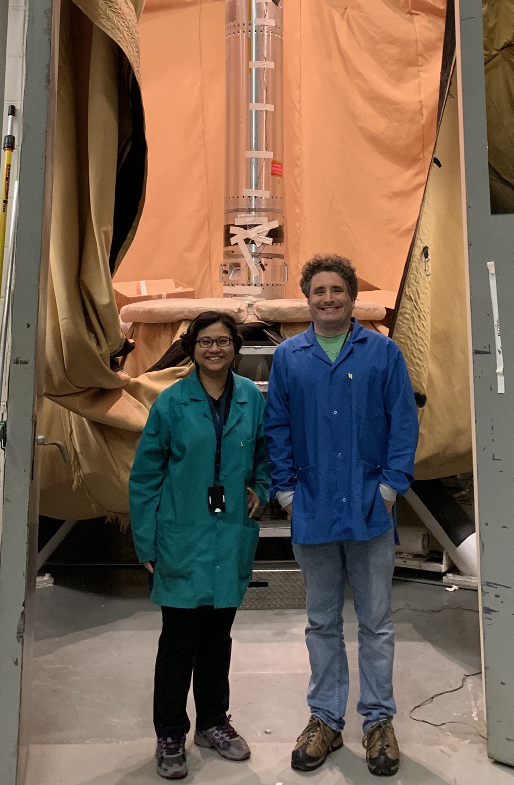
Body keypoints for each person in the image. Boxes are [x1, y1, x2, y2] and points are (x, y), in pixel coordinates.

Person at [265, 254, 419, 777]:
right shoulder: (289, 357)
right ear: (307, 298)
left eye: (337, 291)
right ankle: (326, 719)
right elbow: (277, 426)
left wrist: (392, 486)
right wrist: (285, 491)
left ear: (352, 298)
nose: (328, 299)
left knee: (376, 622)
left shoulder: (383, 353)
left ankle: (378, 721)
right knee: (321, 621)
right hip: (312, 506)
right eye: (318, 291)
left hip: (370, 507)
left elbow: (403, 422)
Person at [130, 310, 271, 780]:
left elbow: (268, 456)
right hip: (181, 537)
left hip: (229, 536)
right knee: (178, 641)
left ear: (236, 347)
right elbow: (145, 477)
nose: (215, 349)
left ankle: (213, 722)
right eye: (206, 342)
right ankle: (170, 731)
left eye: (224, 341)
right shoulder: (171, 403)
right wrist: (146, 542)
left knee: (218, 639)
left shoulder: (252, 398)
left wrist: (263, 489)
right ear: (192, 348)